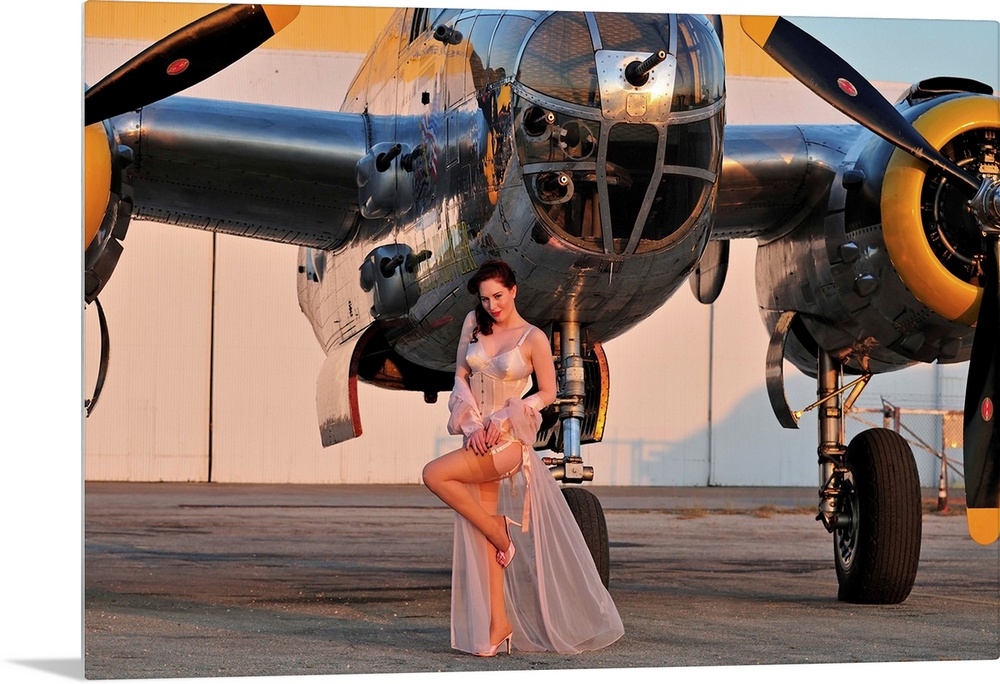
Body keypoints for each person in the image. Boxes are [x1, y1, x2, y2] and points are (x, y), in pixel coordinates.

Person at [422, 259, 624, 657]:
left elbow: (547, 393)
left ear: (513, 291)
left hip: (508, 442)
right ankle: (498, 626)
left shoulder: (532, 338)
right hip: (476, 437)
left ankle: (501, 533)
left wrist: (502, 418)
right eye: (485, 298)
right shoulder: (473, 324)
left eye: (498, 296)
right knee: (481, 538)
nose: (492, 305)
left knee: (434, 475)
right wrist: (473, 426)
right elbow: (460, 377)